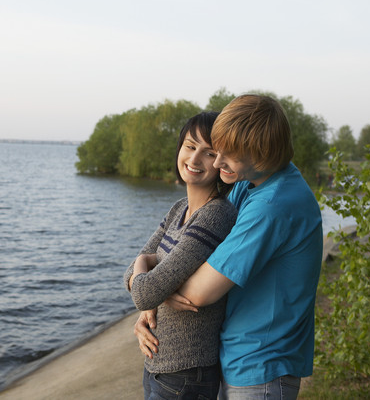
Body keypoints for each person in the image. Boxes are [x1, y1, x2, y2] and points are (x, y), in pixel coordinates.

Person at [134, 94, 323, 400]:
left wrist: (151, 292)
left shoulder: (272, 205)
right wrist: (148, 304)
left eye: (228, 154)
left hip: (261, 363)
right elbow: (184, 255)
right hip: (235, 355)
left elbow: (198, 292)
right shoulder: (251, 183)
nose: (218, 161)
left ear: (260, 154)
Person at [123, 112, 238, 399]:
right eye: (190, 146)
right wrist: (156, 286)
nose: (195, 159)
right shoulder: (179, 209)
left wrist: (146, 267)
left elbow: (143, 292)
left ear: (222, 162)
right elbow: (129, 279)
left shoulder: (215, 215)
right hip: (158, 366)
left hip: (187, 373)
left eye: (208, 152)